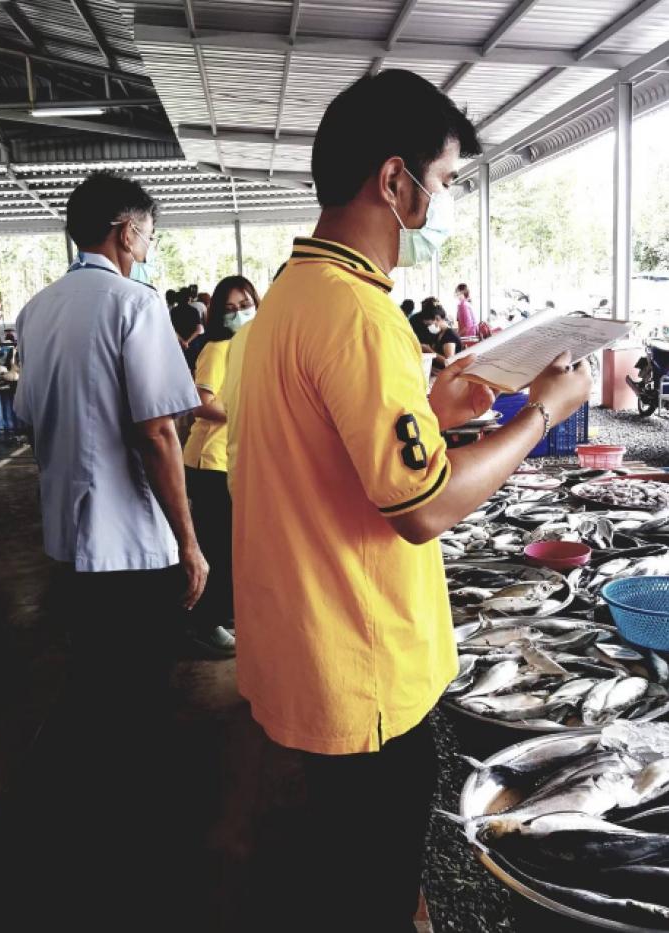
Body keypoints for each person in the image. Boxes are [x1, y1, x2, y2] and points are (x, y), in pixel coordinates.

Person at [231, 69, 591, 932]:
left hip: (305, 651)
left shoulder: (289, 298)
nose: (444, 202)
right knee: (374, 885)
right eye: (445, 180)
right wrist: (541, 412)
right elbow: (423, 506)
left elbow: (331, 458)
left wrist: (431, 409)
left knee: (348, 860)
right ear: (394, 181)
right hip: (363, 670)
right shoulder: (360, 313)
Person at [12, 170, 207, 917]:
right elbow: (158, 431)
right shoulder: (134, 303)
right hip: (130, 545)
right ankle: (137, 856)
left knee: (92, 680)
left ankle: (83, 838)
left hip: (67, 539)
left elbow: (31, 419)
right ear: (126, 232)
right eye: (149, 234)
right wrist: (189, 541)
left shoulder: (37, 309)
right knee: (136, 694)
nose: (150, 247)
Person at [183, 275, 259, 657]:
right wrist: (244, 414)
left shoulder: (249, 346)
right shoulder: (218, 348)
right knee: (218, 547)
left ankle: (219, 615)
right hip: (209, 461)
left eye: (245, 305)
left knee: (229, 544)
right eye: (230, 309)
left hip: (229, 460)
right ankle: (204, 625)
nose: (239, 313)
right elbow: (200, 402)